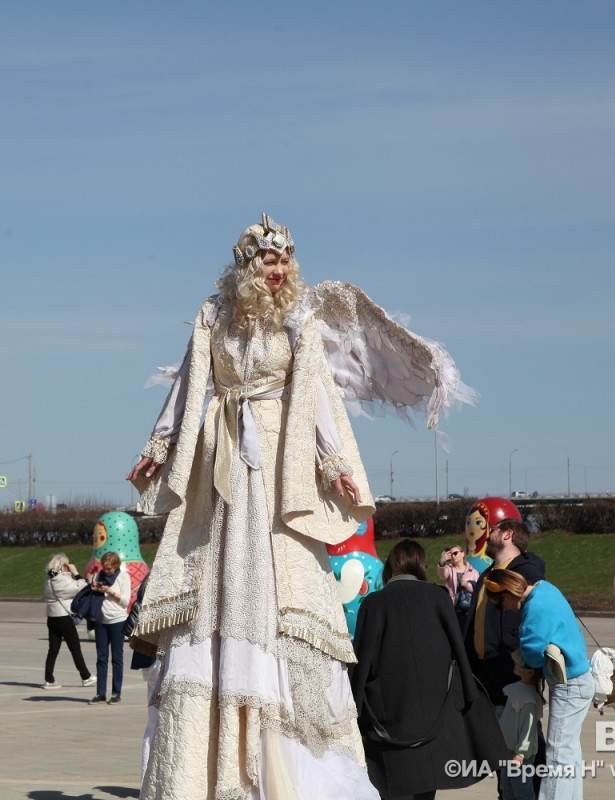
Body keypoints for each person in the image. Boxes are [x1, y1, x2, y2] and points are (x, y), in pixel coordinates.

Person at [127, 215, 469, 799]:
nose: (278, 269)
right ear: (245, 266)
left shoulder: (300, 317)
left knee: (278, 579)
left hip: (277, 451)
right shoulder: (213, 314)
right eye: (267, 260)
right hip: (221, 449)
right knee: (210, 578)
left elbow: (314, 393)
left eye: (284, 260)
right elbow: (189, 385)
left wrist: (333, 460)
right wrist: (158, 447)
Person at [351, 540, 506, 800]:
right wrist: (468, 695)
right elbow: (458, 649)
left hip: (390, 717)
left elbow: (362, 662)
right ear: (421, 565)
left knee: (394, 789)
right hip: (435, 712)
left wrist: (352, 710)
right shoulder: (438, 597)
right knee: (425, 790)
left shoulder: (374, 603)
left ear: (390, 566)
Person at [485, 569, 594, 800]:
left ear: (508, 595)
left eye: (499, 603)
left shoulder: (534, 608)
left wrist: (523, 640)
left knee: (557, 755)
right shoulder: (545, 588)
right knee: (569, 753)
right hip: (580, 681)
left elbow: (533, 655)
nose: (503, 609)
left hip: (568, 686)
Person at [465, 517, 546, 708]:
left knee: (521, 731)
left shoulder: (526, 573)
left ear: (508, 534)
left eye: (493, 529)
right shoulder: (487, 574)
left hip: (511, 668)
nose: (487, 535)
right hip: (482, 669)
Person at [42, 553, 96, 689]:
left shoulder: (49, 580)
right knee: (75, 648)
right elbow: (82, 587)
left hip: (52, 617)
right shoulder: (63, 580)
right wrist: (76, 573)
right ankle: (86, 676)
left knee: (53, 649)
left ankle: (49, 679)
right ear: (64, 567)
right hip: (64, 618)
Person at [87, 552, 130, 706]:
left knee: (117, 658)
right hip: (101, 621)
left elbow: (125, 601)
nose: (107, 571)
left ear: (116, 566)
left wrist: (110, 591)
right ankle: (100, 693)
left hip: (118, 620)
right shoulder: (99, 575)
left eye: (110, 569)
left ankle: (116, 693)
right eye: (105, 568)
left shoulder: (123, 577)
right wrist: (93, 587)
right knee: (101, 658)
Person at [498, 660, 543, 800]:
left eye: (518, 663)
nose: (514, 664)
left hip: (520, 755)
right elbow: (506, 715)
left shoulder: (529, 698)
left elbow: (528, 729)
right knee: (506, 788)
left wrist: (521, 753)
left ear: (529, 672)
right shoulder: (513, 689)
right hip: (507, 749)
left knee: (522, 790)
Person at [437, 544, 479, 633]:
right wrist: (442, 561)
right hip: (453, 607)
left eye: (455, 553)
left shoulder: (473, 571)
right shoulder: (449, 569)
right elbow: (442, 575)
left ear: (463, 554)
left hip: (468, 608)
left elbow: (477, 590)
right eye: (451, 554)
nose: (453, 556)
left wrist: (467, 585)